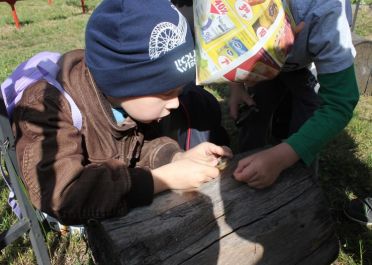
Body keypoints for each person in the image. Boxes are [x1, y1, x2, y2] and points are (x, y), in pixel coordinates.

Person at [6, 0, 232, 225]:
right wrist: (162, 179)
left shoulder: (127, 101)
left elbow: (140, 145)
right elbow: (63, 194)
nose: (175, 104)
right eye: (165, 92)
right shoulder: (46, 108)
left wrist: (176, 158)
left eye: (178, 91)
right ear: (123, 83)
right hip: (76, 210)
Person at [227, 0, 360, 188]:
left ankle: (301, 187)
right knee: (255, 109)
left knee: (307, 122)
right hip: (277, 58)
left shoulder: (325, 11)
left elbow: (339, 103)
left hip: (309, 61)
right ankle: (248, 161)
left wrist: (283, 157)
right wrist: (237, 84)